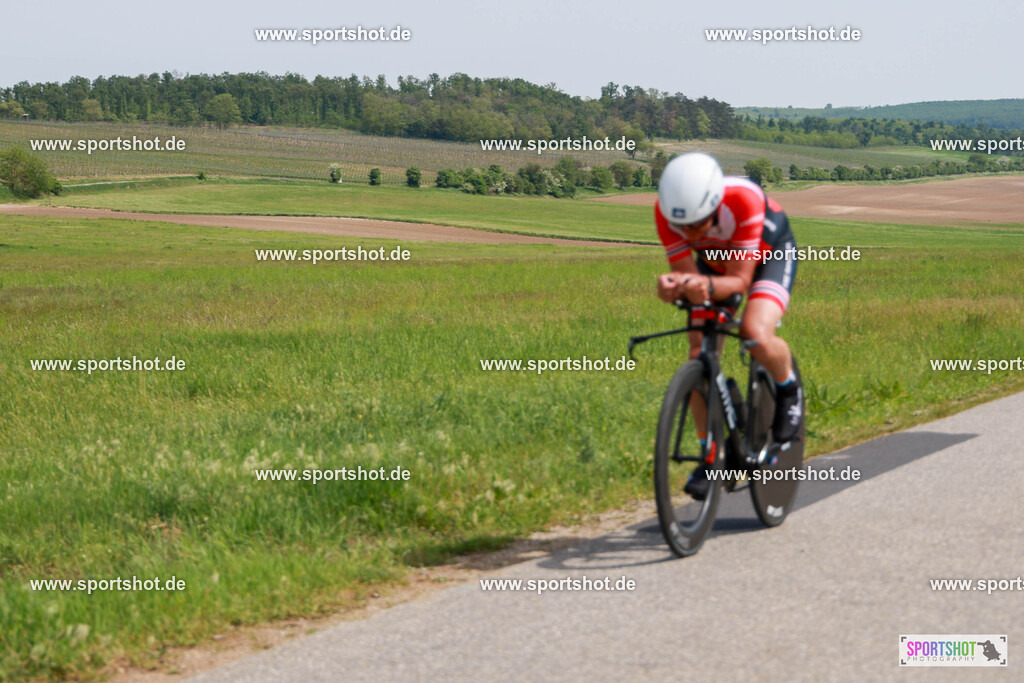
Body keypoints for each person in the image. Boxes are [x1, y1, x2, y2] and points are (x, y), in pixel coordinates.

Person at [654, 152, 802, 500]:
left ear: (716, 205)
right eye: (682, 227)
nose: (688, 232)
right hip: (715, 262)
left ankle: (788, 390)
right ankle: (712, 455)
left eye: (696, 224)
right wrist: (673, 285)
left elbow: (739, 282)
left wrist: (700, 287)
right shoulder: (666, 212)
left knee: (754, 332)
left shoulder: (744, 200)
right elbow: (689, 274)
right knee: (697, 354)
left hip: (767, 256)